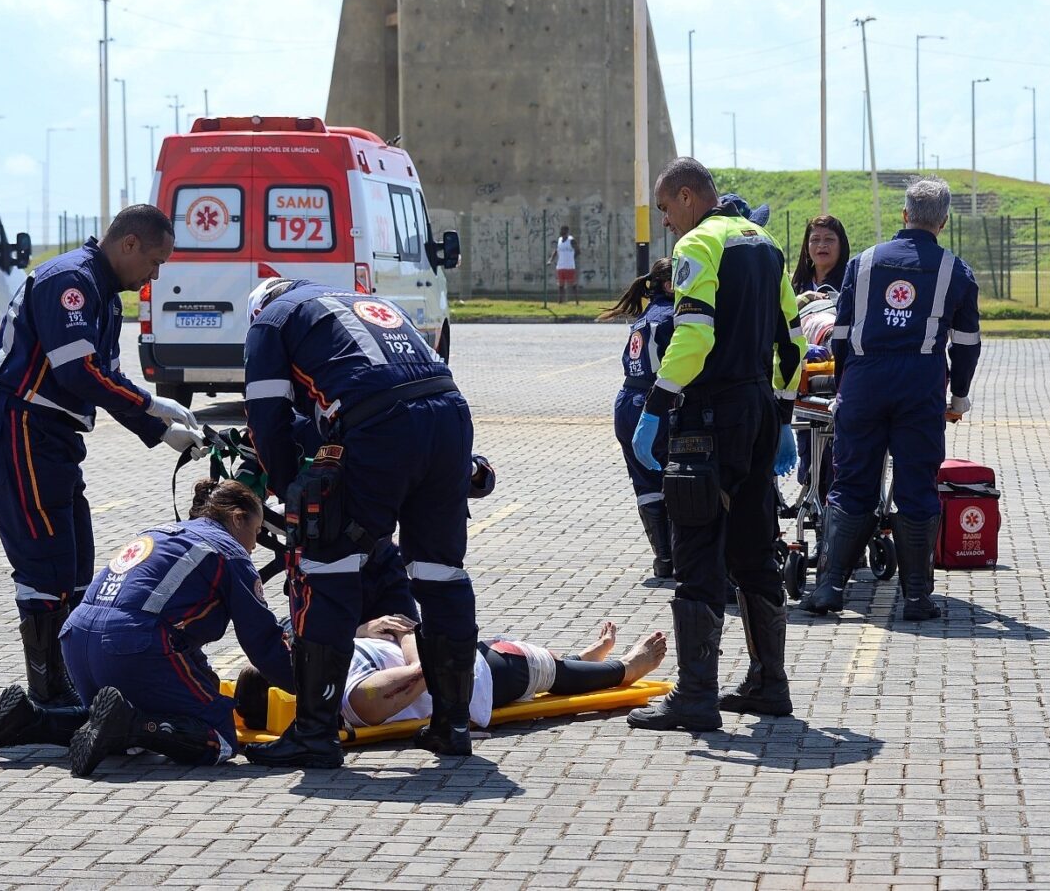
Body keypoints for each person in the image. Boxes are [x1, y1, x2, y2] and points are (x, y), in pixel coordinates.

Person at [0, 205, 204, 709]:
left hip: (52, 438)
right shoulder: (70, 282)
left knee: (74, 567)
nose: (155, 275)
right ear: (129, 244)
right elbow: (79, 374)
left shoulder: (105, 298)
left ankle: (64, 683)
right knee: (46, 566)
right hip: (19, 430)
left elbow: (107, 378)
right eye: (155, 262)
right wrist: (152, 409)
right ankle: (48, 695)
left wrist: (158, 427)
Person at [240, 278, 478, 767]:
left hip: (380, 426)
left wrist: (289, 491)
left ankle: (314, 735)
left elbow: (268, 420)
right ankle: (452, 726)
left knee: (325, 566)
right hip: (449, 416)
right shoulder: (365, 303)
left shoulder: (270, 322)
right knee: (440, 573)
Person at [625, 159, 805, 732]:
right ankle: (768, 684)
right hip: (755, 410)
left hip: (707, 415)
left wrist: (655, 407)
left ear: (686, 197)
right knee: (754, 547)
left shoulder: (699, 245)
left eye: (665, 211)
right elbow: (794, 340)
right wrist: (779, 415)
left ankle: (696, 695)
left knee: (697, 546)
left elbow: (694, 335)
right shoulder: (765, 241)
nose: (667, 224)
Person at [0, 479, 298, 774]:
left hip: (77, 639)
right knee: (220, 738)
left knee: (106, 723)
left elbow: (174, 625)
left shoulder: (161, 533)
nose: (254, 545)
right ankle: (134, 726)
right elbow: (261, 642)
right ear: (238, 519)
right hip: (134, 644)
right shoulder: (229, 552)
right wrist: (311, 696)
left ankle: (32, 719)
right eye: (255, 532)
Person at [804, 177, 981, 621]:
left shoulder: (861, 264)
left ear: (905, 214)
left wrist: (847, 384)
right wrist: (957, 396)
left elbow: (839, 335)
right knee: (916, 486)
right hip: (920, 384)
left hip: (863, 381)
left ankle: (829, 588)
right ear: (943, 221)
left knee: (851, 482)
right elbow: (966, 344)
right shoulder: (954, 271)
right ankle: (917, 598)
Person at [235, 621, 668, 731]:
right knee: (533, 663)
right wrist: (409, 636)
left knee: (525, 655)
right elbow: (422, 670)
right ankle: (625, 667)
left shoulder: (325, 676)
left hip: (477, 662)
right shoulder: (350, 695)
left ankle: (582, 658)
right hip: (479, 676)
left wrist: (365, 631)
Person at [599, 258, 675, 580]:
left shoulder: (646, 316)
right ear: (669, 284)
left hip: (626, 403)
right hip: (654, 404)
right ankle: (680, 556)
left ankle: (663, 559)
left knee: (646, 483)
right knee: (676, 478)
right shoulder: (673, 317)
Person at [789, 216, 852, 497]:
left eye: (829, 239)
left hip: (836, 374)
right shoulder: (796, 285)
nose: (821, 245)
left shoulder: (851, 280)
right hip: (804, 377)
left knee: (836, 461)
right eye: (815, 239)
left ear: (841, 245)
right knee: (810, 460)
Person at [549, 225, 580, 304]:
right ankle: (560, 302)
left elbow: (578, 251)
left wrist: (572, 258)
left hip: (569, 267)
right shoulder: (559, 240)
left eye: (564, 231)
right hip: (560, 266)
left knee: (573, 285)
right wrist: (550, 260)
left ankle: (577, 302)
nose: (562, 232)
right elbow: (556, 251)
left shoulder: (571, 240)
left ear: (567, 231)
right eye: (561, 230)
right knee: (560, 285)